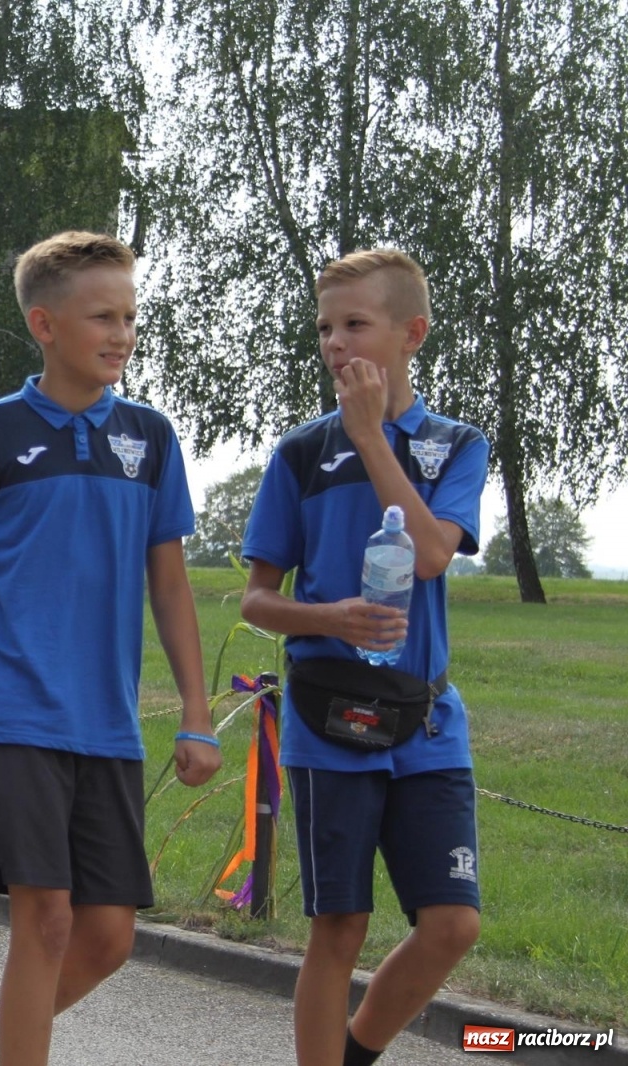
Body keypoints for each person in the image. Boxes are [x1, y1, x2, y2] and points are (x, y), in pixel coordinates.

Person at [0, 232, 223, 1066]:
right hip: (11, 717)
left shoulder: (151, 438)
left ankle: (1, 1034)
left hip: (108, 726)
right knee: (46, 922)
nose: (122, 334)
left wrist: (197, 711)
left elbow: (170, 587)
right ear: (44, 324)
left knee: (108, 938)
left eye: (130, 317)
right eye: (102, 317)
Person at [240, 249, 487, 1066]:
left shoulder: (456, 444)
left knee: (452, 924)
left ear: (411, 334)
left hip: (428, 720)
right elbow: (256, 600)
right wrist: (330, 618)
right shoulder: (300, 454)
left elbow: (430, 556)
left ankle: (352, 1053)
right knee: (339, 925)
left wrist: (371, 437)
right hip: (329, 720)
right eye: (324, 329)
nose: (335, 344)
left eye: (355, 324)